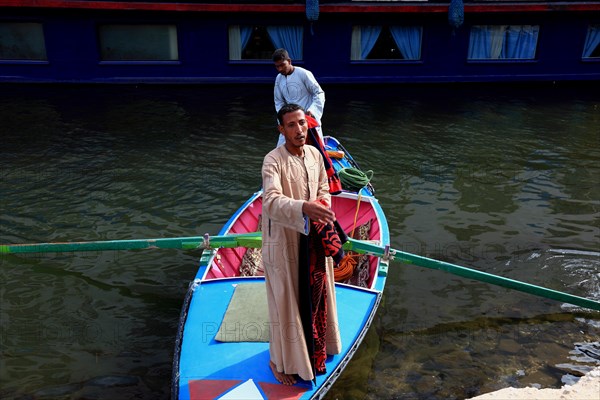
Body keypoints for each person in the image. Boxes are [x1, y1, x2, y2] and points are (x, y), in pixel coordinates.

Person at [261, 103, 342, 385]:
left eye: (302, 123)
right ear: (281, 130)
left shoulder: (315, 155)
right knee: (285, 302)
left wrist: (318, 208)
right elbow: (270, 200)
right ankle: (279, 361)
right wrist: (303, 208)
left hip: (313, 239)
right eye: (292, 125)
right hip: (282, 243)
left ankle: (318, 349)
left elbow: (324, 190)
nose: (299, 130)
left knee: (316, 298)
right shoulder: (273, 160)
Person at [273, 48, 325, 147]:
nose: (280, 69)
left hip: (307, 120)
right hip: (290, 121)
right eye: (277, 66)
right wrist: (282, 118)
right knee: (280, 150)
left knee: (314, 151)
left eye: (282, 65)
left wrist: (313, 111)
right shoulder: (278, 78)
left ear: (289, 61)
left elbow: (319, 93)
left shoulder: (303, 73)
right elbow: (278, 101)